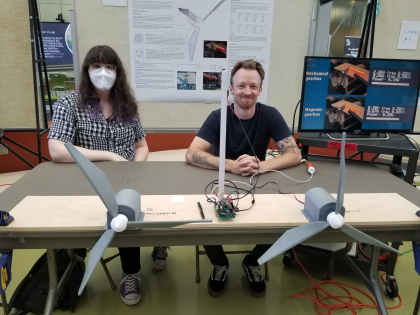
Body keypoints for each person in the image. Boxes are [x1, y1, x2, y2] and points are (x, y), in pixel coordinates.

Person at [47, 45, 168, 306]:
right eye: (96, 66)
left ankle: (138, 263)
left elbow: (142, 146)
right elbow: (57, 149)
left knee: (134, 208)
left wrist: (133, 168)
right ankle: (116, 269)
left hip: (128, 177)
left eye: (109, 67)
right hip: (88, 183)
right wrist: (110, 156)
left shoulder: (127, 105)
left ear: (117, 72)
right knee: (116, 213)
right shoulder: (70, 103)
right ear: (87, 70)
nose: (103, 72)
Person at [185, 59, 302, 297]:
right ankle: (220, 263)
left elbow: (295, 154)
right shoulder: (217, 116)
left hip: (256, 182)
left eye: (252, 86)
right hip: (221, 182)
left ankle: (253, 262)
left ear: (260, 89)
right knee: (203, 220)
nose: (246, 91)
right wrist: (230, 165)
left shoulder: (270, 115)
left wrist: (261, 166)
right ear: (230, 89)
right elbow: (192, 153)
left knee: (283, 218)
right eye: (240, 85)